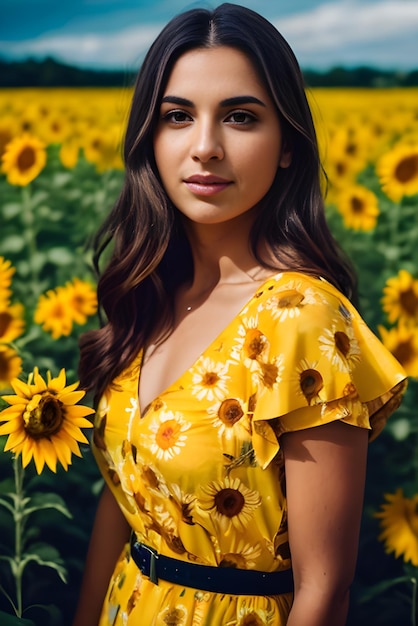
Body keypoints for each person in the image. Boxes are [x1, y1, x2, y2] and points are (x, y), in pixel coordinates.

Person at [72, 4, 407, 625]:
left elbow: (324, 591)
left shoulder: (301, 318)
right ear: (151, 135)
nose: (205, 147)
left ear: (286, 147)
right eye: (178, 116)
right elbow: (122, 502)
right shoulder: (150, 293)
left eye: (241, 117)